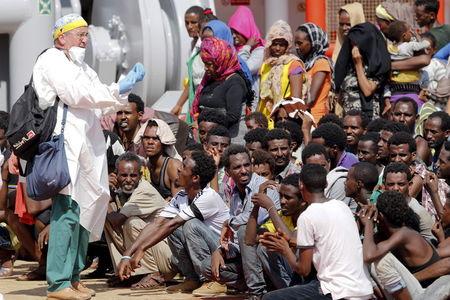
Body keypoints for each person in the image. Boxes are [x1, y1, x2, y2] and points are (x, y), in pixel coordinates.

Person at [32, 13, 145, 300]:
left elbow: (100, 100)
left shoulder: (81, 66)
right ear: (62, 37)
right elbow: (77, 94)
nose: (85, 39)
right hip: (66, 149)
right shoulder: (51, 60)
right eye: (80, 34)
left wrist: (123, 89)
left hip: (89, 149)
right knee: (67, 212)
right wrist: (118, 88)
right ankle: (57, 284)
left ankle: (73, 275)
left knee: (89, 210)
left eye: (86, 35)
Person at [117, 151, 230, 295]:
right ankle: (192, 279)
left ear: (195, 178)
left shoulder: (208, 197)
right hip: (205, 250)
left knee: (189, 225)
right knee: (175, 229)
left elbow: (172, 224)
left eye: (183, 167)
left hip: (223, 250)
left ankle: (214, 280)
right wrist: (128, 255)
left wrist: (142, 249)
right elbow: (157, 224)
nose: (178, 169)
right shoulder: (181, 196)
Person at [260, 164, 374, 300]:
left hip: (338, 291)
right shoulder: (342, 206)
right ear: (326, 184)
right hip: (363, 287)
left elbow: (303, 269)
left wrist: (285, 249)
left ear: (301, 185)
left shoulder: (307, 216)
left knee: (269, 298)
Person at [207, 145, 280, 298]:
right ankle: (259, 283)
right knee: (207, 266)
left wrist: (229, 222)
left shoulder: (264, 186)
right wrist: (221, 249)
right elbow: (233, 234)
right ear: (228, 172)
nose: (244, 170)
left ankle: (257, 292)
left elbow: (253, 220)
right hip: (248, 255)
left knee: (244, 230)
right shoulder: (234, 194)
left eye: (247, 165)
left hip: (270, 248)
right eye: (237, 167)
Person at [105, 152, 173, 289]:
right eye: (124, 175)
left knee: (131, 222)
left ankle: (153, 273)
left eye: (133, 175)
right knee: (108, 216)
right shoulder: (123, 191)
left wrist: (104, 193)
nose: (129, 180)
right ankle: (127, 272)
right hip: (149, 249)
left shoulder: (144, 190)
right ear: (115, 175)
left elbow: (116, 220)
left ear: (140, 176)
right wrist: (109, 192)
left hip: (168, 255)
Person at [360, 191, 450, 292]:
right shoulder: (402, 232)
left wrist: (368, 223)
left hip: (432, 293)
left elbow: (368, 256)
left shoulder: (404, 233)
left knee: (379, 264)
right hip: (427, 291)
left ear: (380, 216)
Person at [246, 173, 305, 289]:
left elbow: (291, 239)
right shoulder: (283, 216)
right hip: (293, 271)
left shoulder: (308, 216)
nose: (282, 201)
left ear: (303, 201)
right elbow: (249, 240)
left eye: (288, 198)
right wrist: (257, 205)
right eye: (281, 196)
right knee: (264, 246)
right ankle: (287, 291)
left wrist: (270, 207)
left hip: (308, 274)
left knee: (268, 248)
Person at [191, 37, 253, 139]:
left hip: (227, 140)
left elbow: (232, 117)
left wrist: (205, 122)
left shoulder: (235, 82)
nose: (205, 68)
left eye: (209, 64)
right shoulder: (210, 79)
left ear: (221, 61)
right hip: (207, 138)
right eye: (204, 64)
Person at [334, 22, 391, 119]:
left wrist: (358, 64)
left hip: (368, 119)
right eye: (352, 43)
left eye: (357, 43)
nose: (354, 47)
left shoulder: (378, 65)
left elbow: (367, 90)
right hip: (348, 118)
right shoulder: (348, 64)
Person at [258, 20, 304, 128]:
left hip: (282, 118)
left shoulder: (294, 64)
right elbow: (261, 97)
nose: (278, 48)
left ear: (288, 45)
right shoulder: (266, 64)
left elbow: (296, 99)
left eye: (282, 44)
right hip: (264, 119)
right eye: (274, 44)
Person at [383, 162, 434, 241]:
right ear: (384, 185)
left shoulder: (419, 212)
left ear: (409, 185)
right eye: (391, 184)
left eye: (401, 184)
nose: (396, 188)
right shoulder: (381, 206)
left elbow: (432, 246)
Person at [171, 6, 205, 123]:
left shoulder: (205, 45)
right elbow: (191, 81)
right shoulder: (193, 44)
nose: (189, 26)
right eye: (187, 23)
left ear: (202, 22)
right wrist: (179, 105)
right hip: (193, 100)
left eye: (193, 22)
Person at [295, 23, 333, 122]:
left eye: (300, 43)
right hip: (303, 116)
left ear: (313, 42)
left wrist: (293, 111)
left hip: (315, 118)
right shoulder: (302, 64)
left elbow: (311, 99)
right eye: (295, 43)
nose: (296, 47)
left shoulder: (321, 63)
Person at [228, 5, 265, 108]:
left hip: (252, 106)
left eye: (237, 32)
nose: (234, 36)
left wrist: (247, 47)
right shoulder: (233, 49)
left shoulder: (260, 50)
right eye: (232, 32)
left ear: (246, 30)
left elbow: (243, 69)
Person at [302, 143, 356, 211]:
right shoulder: (304, 183)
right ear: (303, 167)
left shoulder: (339, 181)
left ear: (329, 163)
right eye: (313, 167)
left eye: (322, 166)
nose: (319, 170)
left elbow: (333, 213)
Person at [142, 119, 182, 200]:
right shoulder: (148, 165)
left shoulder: (172, 166)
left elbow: (180, 203)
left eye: (155, 139)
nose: (150, 142)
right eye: (146, 138)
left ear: (164, 142)